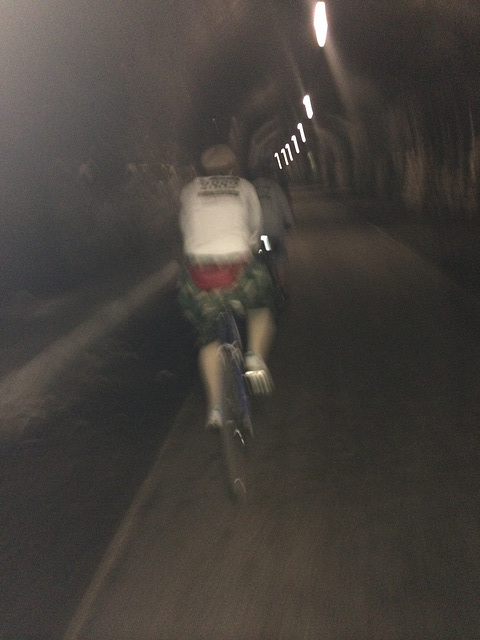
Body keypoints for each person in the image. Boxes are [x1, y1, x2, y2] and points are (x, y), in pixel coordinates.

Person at [178, 144, 276, 429]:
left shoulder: (190, 190)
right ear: (234, 168)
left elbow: (185, 229)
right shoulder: (244, 187)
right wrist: (253, 246)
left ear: (202, 170)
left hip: (199, 275)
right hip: (237, 268)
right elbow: (255, 227)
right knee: (261, 306)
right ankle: (255, 356)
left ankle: (216, 408)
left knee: (208, 339)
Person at [251, 160, 295, 294]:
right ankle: (283, 289)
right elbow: (284, 206)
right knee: (279, 259)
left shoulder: (250, 188)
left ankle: (262, 289)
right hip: (275, 230)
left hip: (259, 232)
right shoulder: (275, 187)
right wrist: (289, 222)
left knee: (259, 261)